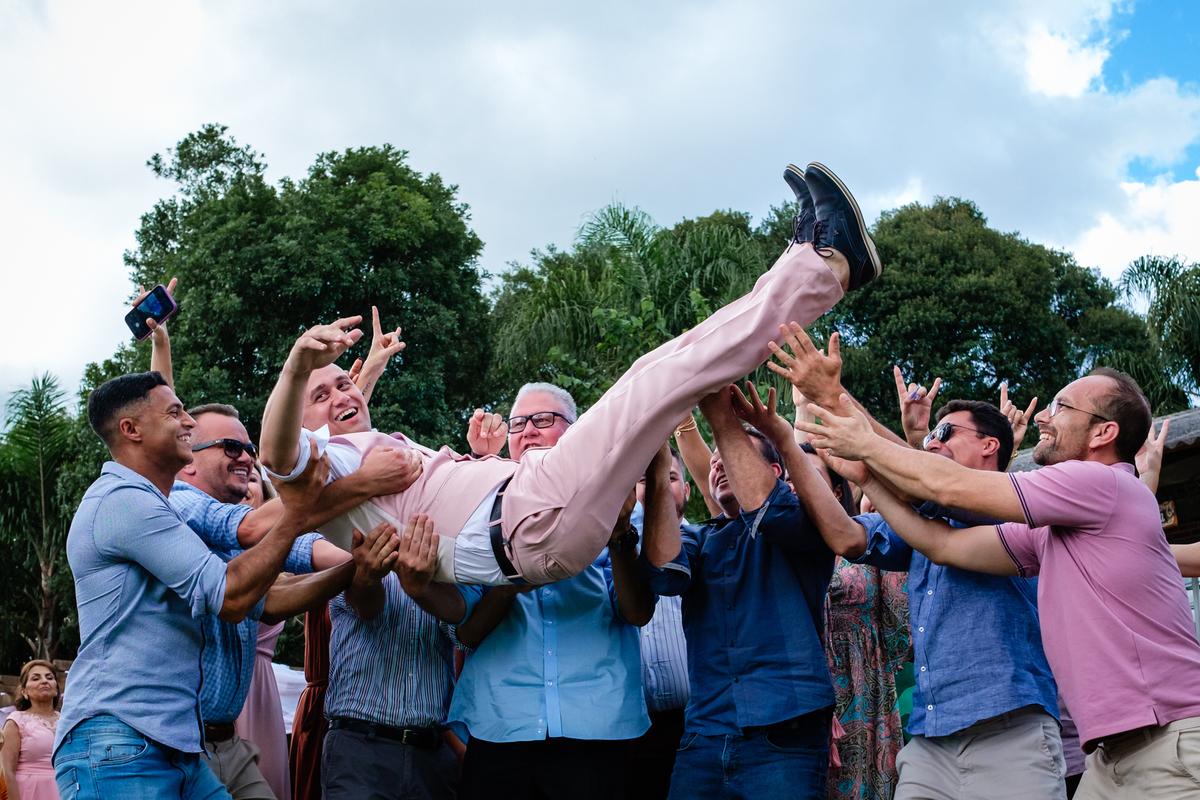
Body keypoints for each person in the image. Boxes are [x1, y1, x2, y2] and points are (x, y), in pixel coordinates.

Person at [258, 162, 880, 588]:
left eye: (343, 382)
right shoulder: (315, 467)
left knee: (660, 376)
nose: (341, 391)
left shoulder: (360, 448)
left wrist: (354, 381)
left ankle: (812, 264)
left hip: (535, 512)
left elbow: (346, 418)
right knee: (662, 379)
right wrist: (294, 369)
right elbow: (277, 454)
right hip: (524, 520)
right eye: (324, 391)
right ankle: (825, 264)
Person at [796, 367, 1200, 799]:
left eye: (1060, 406)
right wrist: (868, 476)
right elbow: (943, 545)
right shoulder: (1050, 532)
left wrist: (860, 434)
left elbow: (943, 485)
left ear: (1103, 433)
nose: (1044, 416)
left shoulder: (1102, 482)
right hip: (1109, 756)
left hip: (1168, 741)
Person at [52, 371, 330, 800]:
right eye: (175, 412)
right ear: (131, 430)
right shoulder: (123, 500)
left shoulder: (158, 507)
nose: (187, 421)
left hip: (178, 746)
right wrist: (299, 508)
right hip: (118, 742)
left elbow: (262, 599)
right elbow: (232, 595)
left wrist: (361, 564)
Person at [400, 384, 678, 800]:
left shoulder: (616, 502)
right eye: (518, 423)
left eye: (543, 420)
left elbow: (638, 612)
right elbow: (468, 633)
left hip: (595, 724)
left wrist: (620, 537)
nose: (528, 430)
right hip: (501, 724)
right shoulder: (475, 512)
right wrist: (519, 576)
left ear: (577, 432)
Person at [641, 382, 839, 799]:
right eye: (713, 462)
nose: (717, 464)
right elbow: (662, 575)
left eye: (730, 455)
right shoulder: (698, 539)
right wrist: (659, 469)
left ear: (776, 472)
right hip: (703, 738)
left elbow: (770, 510)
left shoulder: (804, 520)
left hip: (784, 734)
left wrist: (722, 417)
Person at [319, 513, 460, 800]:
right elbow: (365, 607)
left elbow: (462, 633)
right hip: (359, 749)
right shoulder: (349, 543)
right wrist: (367, 573)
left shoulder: (450, 555)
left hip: (431, 754)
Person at [628, 447, 693, 800]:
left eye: (670, 477)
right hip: (628, 733)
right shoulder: (612, 552)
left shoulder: (708, 548)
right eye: (643, 479)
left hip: (695, 727)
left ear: (687, 489)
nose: (656, 485)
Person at [1, 661, 61, 800]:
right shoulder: (16, 720)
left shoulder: (68, 721)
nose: (44, 681)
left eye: (49, 677)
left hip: (65, 789)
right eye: (36, 678)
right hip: (29, 792)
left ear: (56, 689)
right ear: (24, 691)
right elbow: (7, 771)